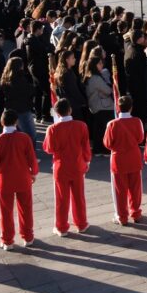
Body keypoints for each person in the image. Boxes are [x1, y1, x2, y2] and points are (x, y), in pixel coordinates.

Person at [0, 109, 38, 250]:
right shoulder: (24, 138)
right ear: (16, 121)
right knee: (26, 209)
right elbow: (31, 159)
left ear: (2, 122)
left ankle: (8, 240)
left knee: (6, 212)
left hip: (5, 181)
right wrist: (33, 173)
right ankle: (28, 237)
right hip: (23, 178)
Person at [42, 99, 91, 236]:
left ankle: (62, 227)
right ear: (70, 110)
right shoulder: (81, 125)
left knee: (61, 199)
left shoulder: (52, 129)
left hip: (60, 167)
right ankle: (81, 224)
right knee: (79, 197)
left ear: (57, 113)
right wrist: (87, 160)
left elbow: (48, 148)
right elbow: (86, 146)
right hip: (77, 165)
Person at [103, 94, 145, 225]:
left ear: (118, 108)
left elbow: (107, 143)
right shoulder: (137, 121)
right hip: (134, 158)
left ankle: (122, 217)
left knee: (120, 191)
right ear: (131, 108)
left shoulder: (112, 124)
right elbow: (140, 139)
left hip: (119, 160)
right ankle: (136, 213)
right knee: (135, 189)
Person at [0, 57, 36, 145]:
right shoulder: (20, 78)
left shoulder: (5, 78)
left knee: (15, 135)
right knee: (30, 135)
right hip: (23, 109)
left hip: (10, 109)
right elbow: (29, 91)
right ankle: (30, 155)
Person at [83, 56, 115, 156]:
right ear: (94, 66)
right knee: (103, 129)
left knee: (98, 129)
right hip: (102, 106)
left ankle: (98, 149)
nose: (102, 65)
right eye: (99, 63)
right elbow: (108, 90)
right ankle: (104, 149)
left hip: (96, 105)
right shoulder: (96, 78)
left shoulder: (89, 76)